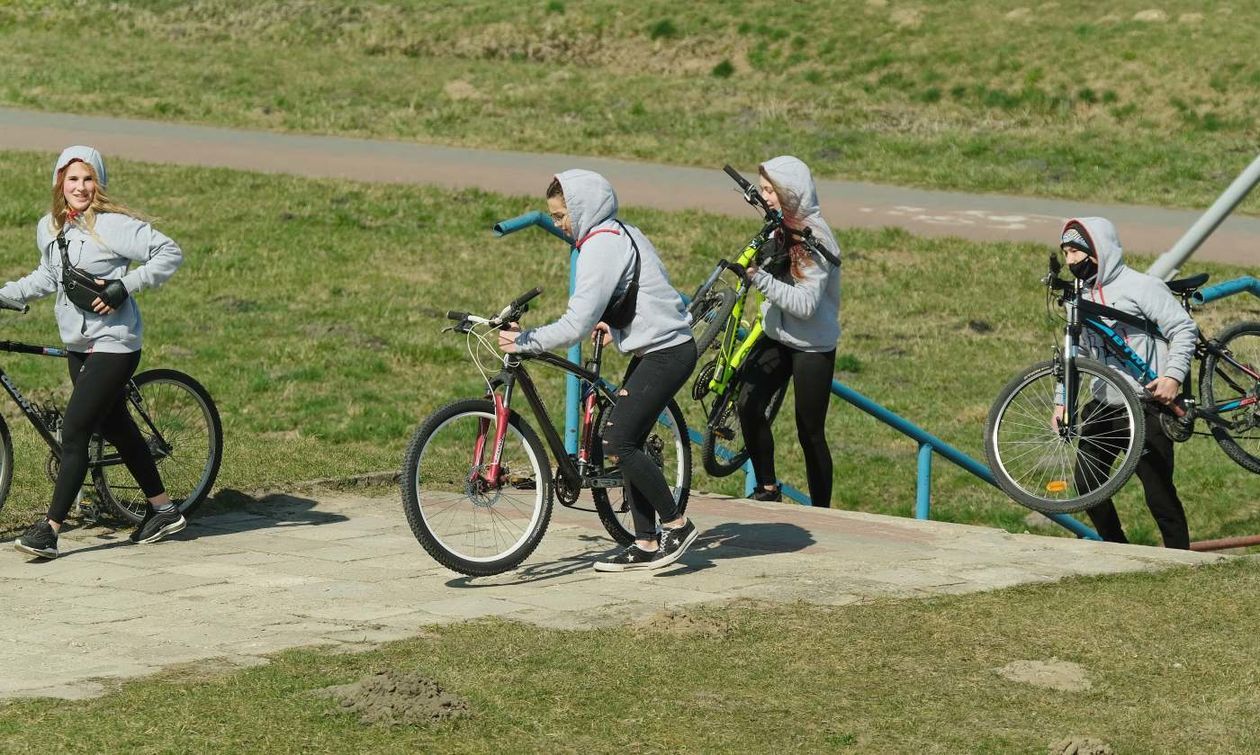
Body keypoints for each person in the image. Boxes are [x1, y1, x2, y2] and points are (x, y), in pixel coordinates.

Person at [499, 169, 700, 571]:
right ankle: (645, 542)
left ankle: (676, 525)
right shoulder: (620, 231)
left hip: (667, 352)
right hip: (657, 347)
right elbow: (646, 289)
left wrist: (525, 341)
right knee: (628, 440)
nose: (559, 225)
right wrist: (619, 322)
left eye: (561, 216)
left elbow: (575, 325)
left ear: (581, 208)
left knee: (618, 439)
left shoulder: (599, 247)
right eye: (554, 217)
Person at [6, 146, 185, 559]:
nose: (80, 187)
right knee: (116, 426)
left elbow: (169, 253)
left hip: (116, 343)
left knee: (75, 432)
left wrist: (127, 285)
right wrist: (3, 294)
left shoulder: (113, 226)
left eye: (88, 179)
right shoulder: (49, 228)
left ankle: (49, 532)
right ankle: (163, 509)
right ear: (59, 183)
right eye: (72, 179)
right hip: (78, 344)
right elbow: (45, 277)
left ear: (97, 183)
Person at [1058, 217, 1197, 548]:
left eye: (1076, 251)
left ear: (1098, 250)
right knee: (1087, 484)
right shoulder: (1077, 299)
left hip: (1147, 404)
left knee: (1159, 495)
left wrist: (1173, 376)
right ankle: (1115, 549)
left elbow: (1183, 329)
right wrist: (1061, 402)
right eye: (1065, 252)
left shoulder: (1142, 287)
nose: (1070, 261)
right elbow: (1071, 358)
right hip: (1104, 404)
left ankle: (1183, 560)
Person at [738, 156, 841, 507]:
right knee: (747, 405)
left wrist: (759, 278)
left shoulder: (816, 236)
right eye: (763, 189)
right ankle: (767, 487)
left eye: (771, 190)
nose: (765, 196)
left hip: (812, 345)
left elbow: (805, 305)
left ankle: (822, 509)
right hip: (778, 336)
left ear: (790, 192)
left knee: (809, 432)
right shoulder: (779, 224)